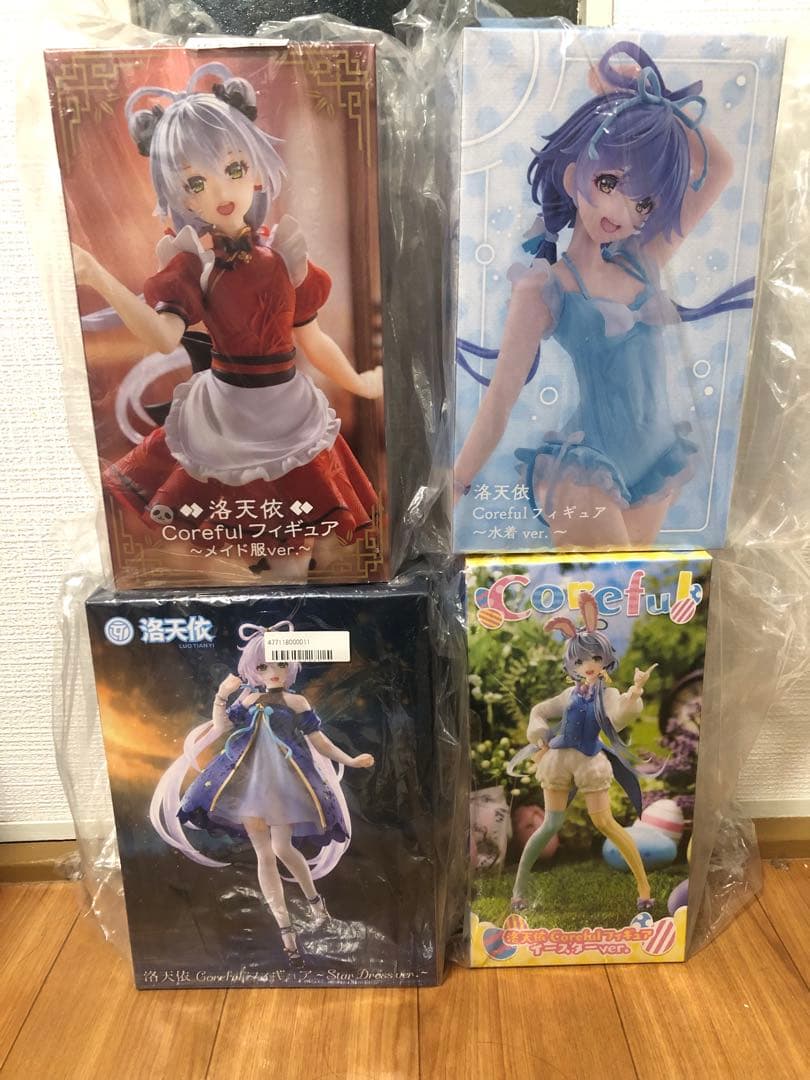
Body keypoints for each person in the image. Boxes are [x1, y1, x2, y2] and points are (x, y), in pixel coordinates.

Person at [72, 62, 382, 581]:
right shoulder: (192, 264)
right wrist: (97, 275)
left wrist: (358, 381)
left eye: (234, 168)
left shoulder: (285, 255)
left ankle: (284, 604)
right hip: (226, 414)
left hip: (288, 409)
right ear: (180, 195)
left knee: (295, 551)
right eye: (196, 181)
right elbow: (162, 337)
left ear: (255, 169)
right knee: (272, 554)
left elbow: (312, 337)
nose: (220, 190)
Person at [455, 42, 753, 547]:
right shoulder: (546, 288)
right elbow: (500, 398)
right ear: (575, 177)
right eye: (609, 181)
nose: (620, 209)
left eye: (643, 202)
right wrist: (455, 483)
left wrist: (647, 101)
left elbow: (719, 167)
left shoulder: (645, 257)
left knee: (627, 596)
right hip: (588, 471)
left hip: (656, 463)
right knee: (602, 586)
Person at [150, 620, 374, 965]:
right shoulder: (249, 698)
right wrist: (222, 694)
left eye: (280, 663)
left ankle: (315, 904)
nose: (273, 671)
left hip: (285, 783)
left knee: (282, 847)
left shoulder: (296, 702)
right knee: (263, 854)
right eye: (263, 666)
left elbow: (319, 741)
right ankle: (287, 933)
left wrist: (350, 760)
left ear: (291, 665)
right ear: (252, 669)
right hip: (247, 784)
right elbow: (222, 726)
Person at [510, 591, 657, 913]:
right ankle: (518, 890)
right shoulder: (569, 694)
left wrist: (634, 692)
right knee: (550, 824)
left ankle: (644, 888)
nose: (588, 666)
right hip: (558, 759)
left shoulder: (608, 694)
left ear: (604, 660)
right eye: (579, 661)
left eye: (594, 658)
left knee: (606, 823)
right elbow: (540, 710)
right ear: (572, 666)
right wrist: (538, 732)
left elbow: (619, 716)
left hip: (589, 761)